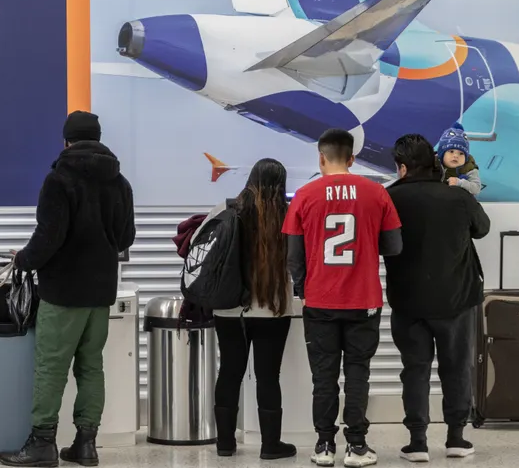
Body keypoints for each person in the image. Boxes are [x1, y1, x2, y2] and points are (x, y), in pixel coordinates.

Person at [0, 111, 136, 468]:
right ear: (99, 138)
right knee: (91, 366)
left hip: (63, 293)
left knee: (51, 367)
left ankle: (42, 444)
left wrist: (24, 260)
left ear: (66, 141)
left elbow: (49, 236)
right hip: (101, 293)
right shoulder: (120, 182)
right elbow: (126, 238)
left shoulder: (59, 179)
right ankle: (86, 444)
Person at [285, 128, 402, 468]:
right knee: (357, 374)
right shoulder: (377, 193)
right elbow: (394, 246)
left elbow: (293, 255)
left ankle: (323, 446)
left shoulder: (305, 195)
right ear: (352, 159)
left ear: (321, 158)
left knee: (323, 377)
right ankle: (357, 447)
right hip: (364, 300)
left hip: (320, 301)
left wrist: (304, 287)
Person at [384, 134, 490, 462]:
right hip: (456, 300)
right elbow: (482, 228)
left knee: (414, 370)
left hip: (408, 302)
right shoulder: (457, 196)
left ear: (402, 167)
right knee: (456, 368)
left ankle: (417, 443)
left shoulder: (390, 198)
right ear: (434, 161)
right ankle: (456, 438)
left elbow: (381, 242)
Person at [210, 159, 296, 461]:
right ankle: (271, 445)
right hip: (273, 308)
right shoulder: (288, 214)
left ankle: (225, 444)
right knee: (268, 376)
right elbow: (297, 260)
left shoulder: (229, 206)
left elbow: (205, 247)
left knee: (230, 372)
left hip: (230, 307)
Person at [436, 123, 481, 197]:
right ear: (442, 153)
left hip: (457, 201)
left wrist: (460, 183)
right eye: (451, 151)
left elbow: (476, 188)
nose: (456, 156)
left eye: (461, 153)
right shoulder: (432, 163)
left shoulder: (468, 168)